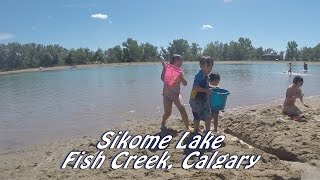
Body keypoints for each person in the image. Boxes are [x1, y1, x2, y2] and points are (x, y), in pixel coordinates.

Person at [160, 54, 190, 131]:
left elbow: (185, 83)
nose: (180, 62)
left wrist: (181, 78)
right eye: (177, 60)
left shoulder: (180, 71)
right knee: (168, 113)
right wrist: (165, 69)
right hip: (167, 94)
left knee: (182, 108)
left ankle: (187, 127)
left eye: (181, 61)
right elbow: (162, 79)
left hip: (176, 94)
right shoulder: (167, 68)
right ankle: (163, 122)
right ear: (172, 61)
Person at [189, 56, 214, 133]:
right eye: (208, 66)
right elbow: (195, 87)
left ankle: (207, 130)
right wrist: (206, 90)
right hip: (196, 100)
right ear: (201, 66)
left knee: (208, 115)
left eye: (211, 66)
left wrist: (212, 88)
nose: (210, 69)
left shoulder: (205, 76)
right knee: (197, 116)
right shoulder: (199, 75)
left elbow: (205, 85)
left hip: (204, 99)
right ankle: (196, 129)